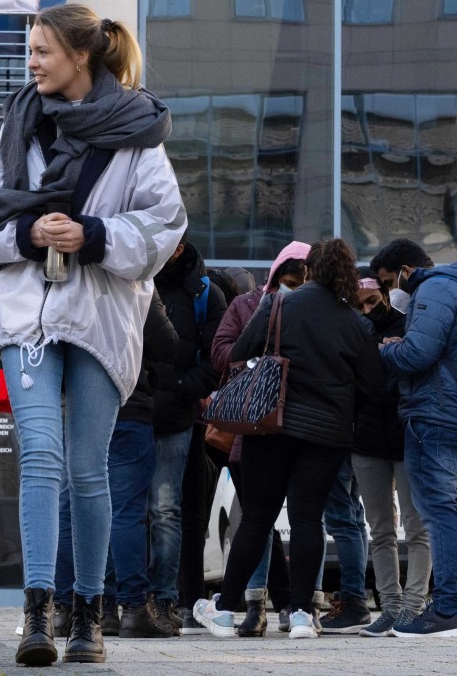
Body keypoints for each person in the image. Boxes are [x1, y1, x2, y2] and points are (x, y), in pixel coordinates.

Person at [0, 4, 185, 666]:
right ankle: (37, 612)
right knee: (41, 455)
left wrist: (93, 236)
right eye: (30, 50)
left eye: (41, 51)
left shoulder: (139, 131)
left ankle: (88, 613)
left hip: (102, 317)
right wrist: (27, 235)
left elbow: (167, 224)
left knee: (89, 469)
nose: (31, 62)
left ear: (80, 57)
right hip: (29, 313)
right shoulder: (20, 121)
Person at [194, 239, 386, 640]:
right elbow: (372, 386)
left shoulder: (279, 306)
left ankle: (225, 610)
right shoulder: (354, 322)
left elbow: (239, 352)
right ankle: (300, 614)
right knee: (307, 519)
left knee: (258, 519)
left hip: (273, 428)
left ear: (310, 270)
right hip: (327, 436)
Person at [55, 288, 178, 640]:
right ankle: (134, 608)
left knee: (71, 504)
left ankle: (66, 607)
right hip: (128, 403)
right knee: (125, 512)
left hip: (75, 407)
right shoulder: (132, 277)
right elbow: (167, 342)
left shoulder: (65, 277)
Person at [380, 253, 457, 638]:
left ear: (405, 271)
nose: (391, 290)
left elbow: (418, 354)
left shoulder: (434, 288)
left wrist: (387, 348)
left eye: (389, 279)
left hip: (435, 417)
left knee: (440, 512)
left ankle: (445, 613)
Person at [203, 240, 309, 635]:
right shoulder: (248, 305)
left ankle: (289, 605)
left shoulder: (318, 310)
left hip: (299, 428)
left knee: (283, 521)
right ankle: (259, 605)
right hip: (253, 429)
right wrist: (259, 361)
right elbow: (220, 353)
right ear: (276, 274)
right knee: (257, 521)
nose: (294, 287)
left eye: (302, 281)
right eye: (289, 279)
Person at [145, 236, 224, 631]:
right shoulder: (134, 277)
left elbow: (215, 362)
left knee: (165, 509)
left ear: (179, 247)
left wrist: (178, 388)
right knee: (126, 509)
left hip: (175, 417)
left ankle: (163, 597)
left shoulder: (206, 293)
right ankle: (126, 597)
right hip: (130, 410)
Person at [352, 271, 431, 637]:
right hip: (366, 440)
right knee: (380, 529)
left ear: (384, 294)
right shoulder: (352, 329)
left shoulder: (407, 324)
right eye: (360, 305)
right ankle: (391, 605)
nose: (367, 310)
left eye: (372, 301)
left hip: (404, 438)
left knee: (416, 527)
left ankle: (413, 606)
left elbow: (419, 370)